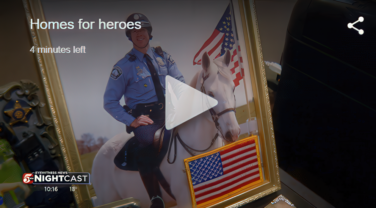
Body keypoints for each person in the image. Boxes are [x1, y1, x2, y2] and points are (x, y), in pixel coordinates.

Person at [103, 13, 185, 208]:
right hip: (146, 119)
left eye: (143, 29)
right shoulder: (122, 67)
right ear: (129, 36)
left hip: (170, 112)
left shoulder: (164, 57)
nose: (139, 33)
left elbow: (180, 82)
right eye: (134, 30)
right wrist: (132, 121)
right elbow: (109, 101)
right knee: (148, 141)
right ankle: (156, 197)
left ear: (149, 32)